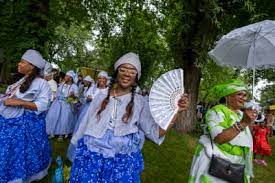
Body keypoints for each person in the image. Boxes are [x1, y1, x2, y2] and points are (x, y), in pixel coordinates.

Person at [69, 52, 189, 182]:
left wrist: (177, 111)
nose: (127, 74)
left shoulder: (140, 102)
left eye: (132, 71)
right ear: (116, 73)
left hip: (121, 162)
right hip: (92, 155)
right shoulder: (101, 96)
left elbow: (155, 132)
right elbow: (85, 123)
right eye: (123, 70)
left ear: (136, 77)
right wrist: (74, 147)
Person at [188, 80, 257, 183]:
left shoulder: (240, 114)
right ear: (227, 97)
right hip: (215, 163)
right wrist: (243, 123)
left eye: (245, 95)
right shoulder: (216, 111)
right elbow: (219, 138)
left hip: (236, 166)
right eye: (239, 94)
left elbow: (245, 139)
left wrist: (249, 122)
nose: (244, 98)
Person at [0, 49, 52, 182]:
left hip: (27, 125)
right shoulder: (20, 81)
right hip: (10, 120)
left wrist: (18, 102)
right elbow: (8, 97)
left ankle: (18, 175)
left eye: (22, 62)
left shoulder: (42, 83)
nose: (19, 64)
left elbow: (43, 105)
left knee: (21, 152)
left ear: (32, 66)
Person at [46, 70, 79, 141]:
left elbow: (76, 98)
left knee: (63, 119)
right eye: (66, 76)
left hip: (66, 104)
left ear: (71, 78)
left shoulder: (74, 87)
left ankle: (61, 134)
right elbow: (57, 92)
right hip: (57, 103)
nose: (65, 77)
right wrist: (55, 98)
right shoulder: (62, 84)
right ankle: (52, 132)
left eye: (67, 76)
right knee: (54, 117)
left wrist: (72, 95)